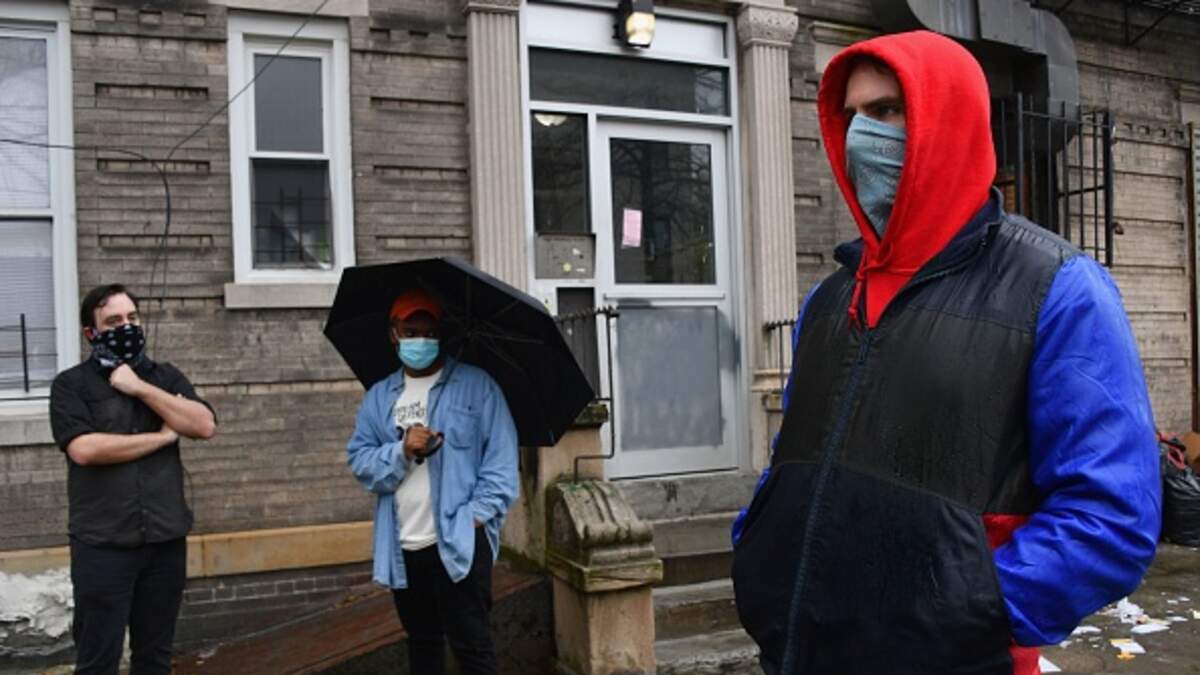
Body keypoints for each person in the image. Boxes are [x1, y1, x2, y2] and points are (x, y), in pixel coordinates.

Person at [730, 31, 1161, 675]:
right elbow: (793, 461)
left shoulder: (1058, 289)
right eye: (851, 115)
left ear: (949, 118)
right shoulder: (829, 298)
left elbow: (1111, 515)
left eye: (886, 110)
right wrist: (759, 555)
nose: (860, 135)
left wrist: (966, 613)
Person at [346, 289, 518, 675]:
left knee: (473, 647)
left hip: (459, 540)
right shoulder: (379, 398)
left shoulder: (477, 387)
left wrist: (473, 518)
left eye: (429, 332)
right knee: (422, 645)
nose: (420, 341)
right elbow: (360, 462)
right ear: (393, 334)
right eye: (411, 332)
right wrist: (402, 451)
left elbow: (502, 464)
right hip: (403, 544)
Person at [49, 284, 216, 675]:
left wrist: (140, 388)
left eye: (132, 318)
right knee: (98, 661)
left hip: (164, 541)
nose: (127, 327)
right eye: (113, 321)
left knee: (155, 658)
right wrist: (161, 438)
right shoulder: (71, 385)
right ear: (91, 333)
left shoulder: (165, 377)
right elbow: (84, 449)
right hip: (103, 545)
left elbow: (203, 425)